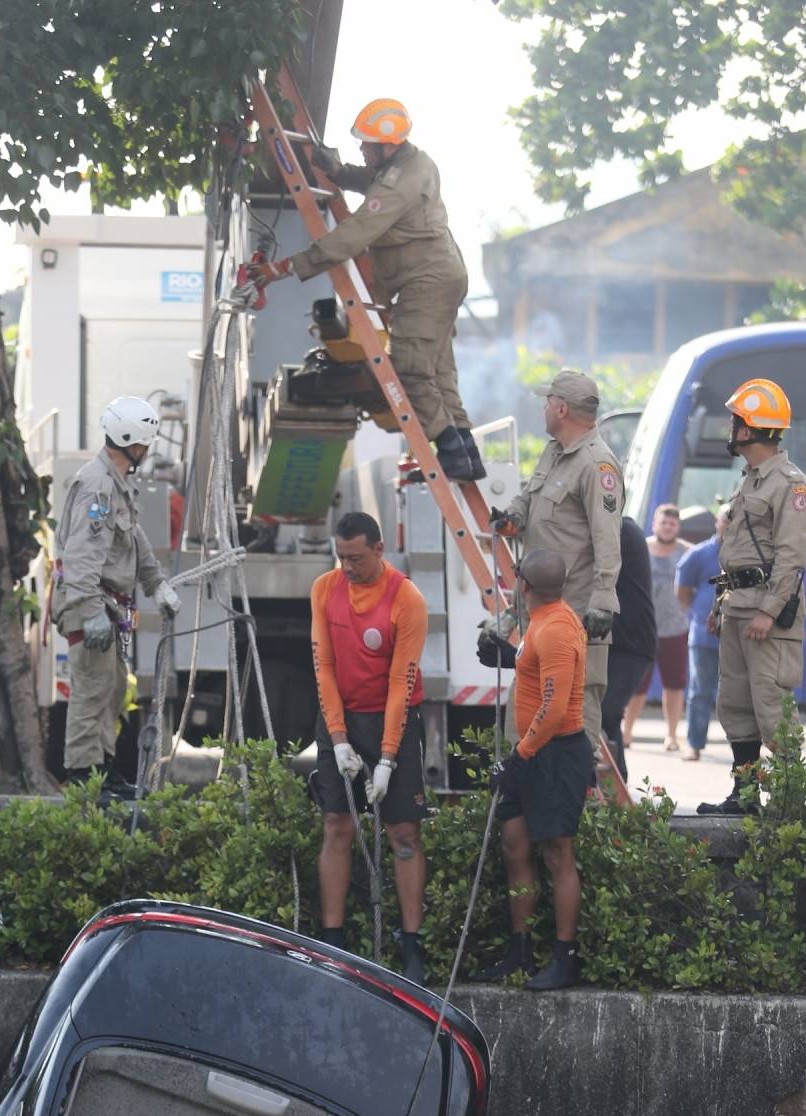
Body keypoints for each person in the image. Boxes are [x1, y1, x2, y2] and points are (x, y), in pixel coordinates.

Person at [249, 99, 481, 483]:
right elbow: (374, 182)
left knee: (410, 369)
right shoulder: (409, 164)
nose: (361, 147)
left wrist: (284, 268)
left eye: (367, 144)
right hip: (438, 278)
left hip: (426, 283)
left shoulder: (400, 181)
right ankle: (465, 453)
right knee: (437, 370)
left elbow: (355, 232)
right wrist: (339, 172)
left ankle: (450, 450)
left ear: (388, 146)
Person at [310, 510, 430, 985]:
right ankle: (333, 941)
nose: (347, 567)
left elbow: (402, 683)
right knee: (337, 825)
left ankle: (411, 945)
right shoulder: (325, 589)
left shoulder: (406, 598)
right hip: (342, 716)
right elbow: (323, 667)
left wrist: (387, 759)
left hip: (392, 715)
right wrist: (338, 739)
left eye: (356, 558)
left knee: (403, 834)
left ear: (379, 550)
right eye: (340, 557)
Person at [696, 379, 806, 815]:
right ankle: (744, 796)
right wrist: (719, 606)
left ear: (750, 429)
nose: (730, 430)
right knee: (735, 705)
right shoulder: (749, 481)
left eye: (735, 422)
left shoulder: (791, 485)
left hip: (767, 613)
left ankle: (791, 803)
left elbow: (791, 558)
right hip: (737, 608)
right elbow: (736, 552)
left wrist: (769, 611)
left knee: (772, 707)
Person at [475, 549, 592, 991]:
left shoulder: (557, 627)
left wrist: (518, 758)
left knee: (558, 854)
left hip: (555, 755)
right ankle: (519, 951)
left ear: (524, 585)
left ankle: (565, 958)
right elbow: (536, 668)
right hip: (532, 752)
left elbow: (555, 707)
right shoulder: (540, 620)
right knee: (515, 845)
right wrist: (509, 656)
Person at [52, 395, 180, 791]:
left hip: (103, 602)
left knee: (111, 688)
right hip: (90, 601)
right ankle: (83, 776)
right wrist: (90, 611)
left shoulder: (115, 484)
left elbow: (133, 538)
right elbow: (81, 556)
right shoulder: (98, 487)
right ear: (135, 443)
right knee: (93, 689)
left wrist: (156, 584)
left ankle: (102, 773)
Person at [494, 369, 623, 756]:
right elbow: (529, 499)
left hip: (576, 613)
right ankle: (525, 785)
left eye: (548, 402)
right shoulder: (554, 453)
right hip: (540, 612)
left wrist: (603, 601)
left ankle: (576, 789)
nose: (544, 409)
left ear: (562, 409)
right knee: (525, 711)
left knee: (575, 714)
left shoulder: (597, 465)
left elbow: (607, 539)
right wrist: (512, 517)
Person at [623, 503, 689, 753]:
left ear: (678, 527)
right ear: (654, 524)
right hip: (643, 628)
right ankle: (626, 733)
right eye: (664, 522)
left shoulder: (687, 552)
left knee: (674, 685)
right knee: (637, 685)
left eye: (672, 523)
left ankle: (671, 736)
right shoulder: (640, 548)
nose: (668, 527)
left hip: (675, 628)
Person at [598, 516, 657, 783]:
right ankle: (614, 786)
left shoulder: (622, 531)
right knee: (605, 715)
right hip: (615, 640)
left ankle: (616, 785)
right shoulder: (620, 528)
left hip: (630, 643)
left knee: (607, 713)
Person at [675, 508, 730, 760]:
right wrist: (699, 613)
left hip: (736, 636)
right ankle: (694, 744)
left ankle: (741, 749)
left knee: (736, 694)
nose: (729, 525)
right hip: (704, 635)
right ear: (717, 522)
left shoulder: (747, 555)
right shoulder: (699, 554)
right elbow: (682, 591)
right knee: (700, 691)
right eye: (726, 519)